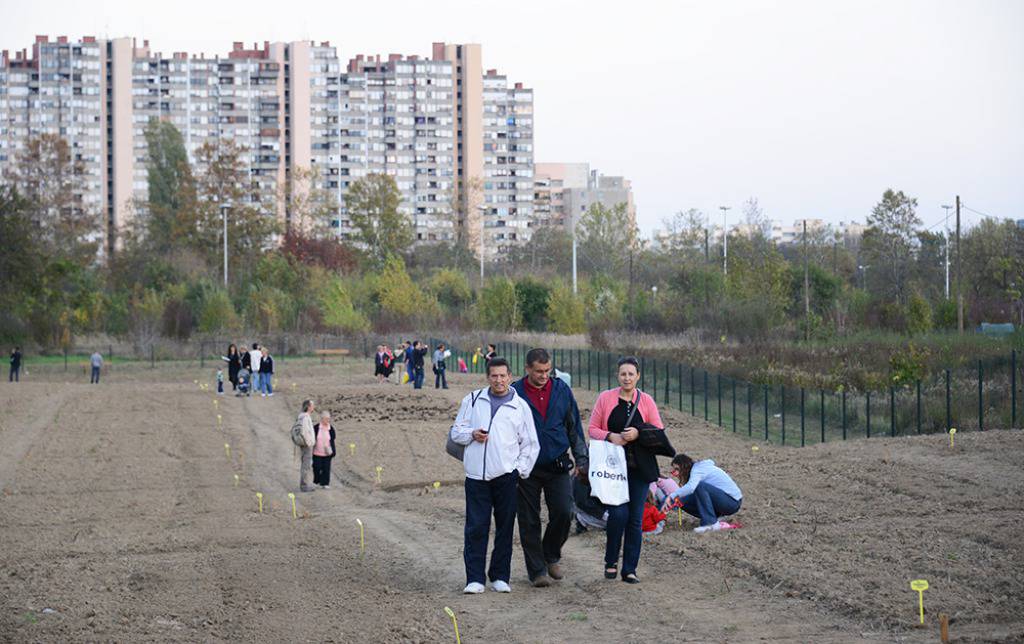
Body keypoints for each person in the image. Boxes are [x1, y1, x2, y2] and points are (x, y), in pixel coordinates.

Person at [449, 357, 540, 594]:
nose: (498, 380)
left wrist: (518, 470)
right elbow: (456, 432)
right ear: (487, 377)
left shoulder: (520, 407)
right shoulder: (472, 400)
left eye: (502, 376)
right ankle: (475, 579)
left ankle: (500, 576)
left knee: (505, 527)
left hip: (506, 477)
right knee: (476, 527)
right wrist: (472, 434)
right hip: (476, 477)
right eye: (494, 376)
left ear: (510, 376)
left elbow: (530, 444)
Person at [511, 347, 588, 588]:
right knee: (529, 519)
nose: (544, 375)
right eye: (538, 371)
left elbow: (573, 426)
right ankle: (537, 571)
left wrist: (581, 459)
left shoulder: (561, 390)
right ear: (527, 369)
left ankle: (551, 553)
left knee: (565, 511)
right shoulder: (515, 393)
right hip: (526, 467)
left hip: (557, 463)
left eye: (547, 370)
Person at [588, 356, 664, 584]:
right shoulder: (605, 398)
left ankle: (629, 568)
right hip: (613, 470)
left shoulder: (647, 401)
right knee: (619, 514)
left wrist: (639, 434)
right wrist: (611, 436)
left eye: (631, 374)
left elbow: (658, 430)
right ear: (617, 376)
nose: (627, 378)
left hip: (639, 469)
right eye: (623, 374)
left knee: (635, 519)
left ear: (638, 376)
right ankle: (611, 561)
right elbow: (592, 429)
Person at [661, 453, 743, 533]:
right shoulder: (696, 471)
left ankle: (710, 523)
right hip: (722, 501)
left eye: (677, 469)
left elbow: (691, 487)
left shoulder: (698, 469)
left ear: (685, 467)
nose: (676, 473)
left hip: (732, 502)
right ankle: (714, 518)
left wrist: (671, 496)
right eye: (674, 470)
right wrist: (671, 501)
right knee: (680, 500)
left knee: (700, 486)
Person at [312, 410, 336, 489]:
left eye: (328, 419)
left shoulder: (331, 428)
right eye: (326, 419)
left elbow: (332, 439)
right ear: (322, 419)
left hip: (327, 452)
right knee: (316, 467)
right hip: (316, 452)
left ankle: (325, 483)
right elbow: (312, 438)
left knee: (326, 468)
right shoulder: (316, 428)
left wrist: (333, 450)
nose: (327, 421)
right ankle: (317, 481)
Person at [298, 399, 317, 492]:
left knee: (306, 464)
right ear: (308, 407)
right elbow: (304, 432)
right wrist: (309, 443)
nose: (314, 407)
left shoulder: (302, 416)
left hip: (305, 444)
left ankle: (305, 484)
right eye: (312, 405)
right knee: (306, 465)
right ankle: (304, 486)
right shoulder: (305, 417)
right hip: (307, 445)